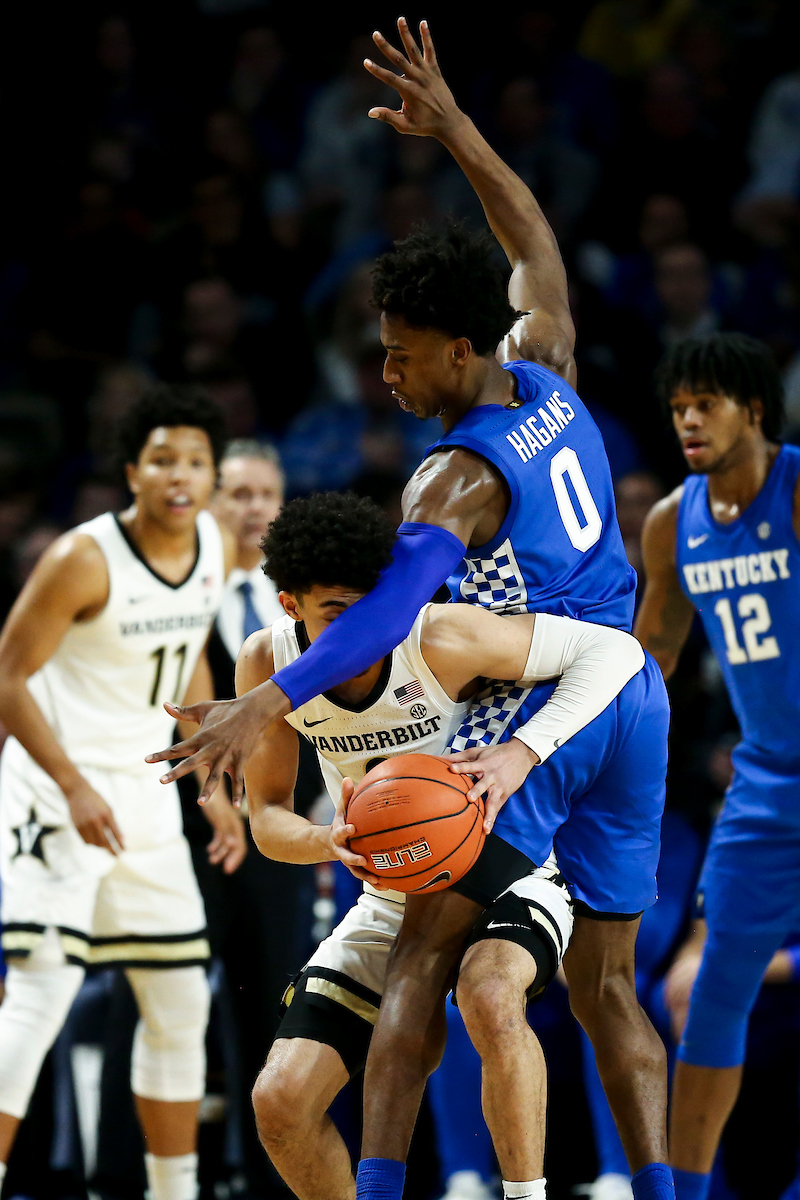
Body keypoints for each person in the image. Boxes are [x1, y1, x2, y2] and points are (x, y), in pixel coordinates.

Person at [149, 20, 673, 1200]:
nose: (384, 373)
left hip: (544, 693)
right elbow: (532, 237)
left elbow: (389, 608)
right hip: (627, 691)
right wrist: (456, 130)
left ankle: (402, 1187)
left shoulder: (451, 476)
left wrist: (263, 700)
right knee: (603, 991)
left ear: (451, 347)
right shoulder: (545, 359)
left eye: (398, 354)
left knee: (428, 954)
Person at [235, 490, 650, 1200]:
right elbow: (267, 818)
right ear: (288, 606)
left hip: (503, 871)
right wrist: (327, 841)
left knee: (489, 996)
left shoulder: (437, 636)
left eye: (373, 607)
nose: (362, 629)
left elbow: (616, 649)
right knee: (279, 1103)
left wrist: (524, 749)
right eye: (337, 612)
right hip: (388, 888)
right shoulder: (264, 664)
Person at [0, 385, 246, 1200]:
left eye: (196, 462)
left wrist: (210, 780)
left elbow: (189, 665)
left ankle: (171, 1193)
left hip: (142, 796)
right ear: (132, 472)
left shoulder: (212, 544)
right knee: (39, 999)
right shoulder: (83, 557)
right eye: (163, 460)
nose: (181, 476)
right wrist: (69, 785)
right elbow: (8, 675)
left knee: (179, 1000)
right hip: (53, 790)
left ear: (212, 475)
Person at [634, 331, 799, 1200]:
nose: (689, 421)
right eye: (677, 409)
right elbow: (645, 659)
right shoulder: (672, 523)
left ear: (756, 409)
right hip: (766, 782)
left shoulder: (797, 488)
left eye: (707, 405)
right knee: (710, 993)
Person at [208, 437, 285, 697]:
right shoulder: (189, 587)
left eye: (268, 495)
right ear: (209, 504)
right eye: (241, 495)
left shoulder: (301, 585)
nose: (256, 507)